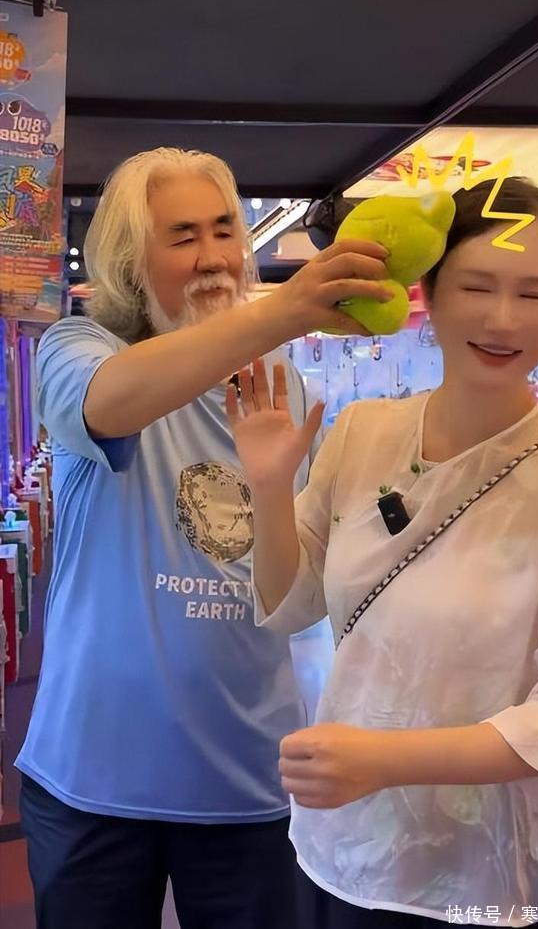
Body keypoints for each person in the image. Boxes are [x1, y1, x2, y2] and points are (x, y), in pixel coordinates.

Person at [227, 178, 538, 928]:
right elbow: (291, 603)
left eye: (535, 293)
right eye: (477, 286)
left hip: (496, 874)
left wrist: (382, 760)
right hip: (348, 849)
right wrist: (268, 485)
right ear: (431, 293)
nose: (503, 318)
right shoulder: (362, 432)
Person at [16, 146, 392, 929]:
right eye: (183, 236)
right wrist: (285, 310)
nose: (214, 255)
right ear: (131, 260)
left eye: (224, 230)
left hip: (251, 780)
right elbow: (108, 404)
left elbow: (306, 582)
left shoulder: (285, 389)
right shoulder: (79, 350)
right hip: (92, 779)